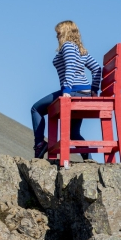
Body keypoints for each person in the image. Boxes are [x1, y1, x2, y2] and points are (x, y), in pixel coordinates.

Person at [31, 20, 101, 159]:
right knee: (73, 132)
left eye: (58, 32)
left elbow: (70, 68)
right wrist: (93, 89)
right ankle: (88, 159)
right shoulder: (80, 50)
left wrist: (66, 91)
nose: (56, 35)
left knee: (36, 109)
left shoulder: (68, 46)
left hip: (73, 91)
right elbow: (97, 69)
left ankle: (40, 144)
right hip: (83, 92)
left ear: (65, 32)